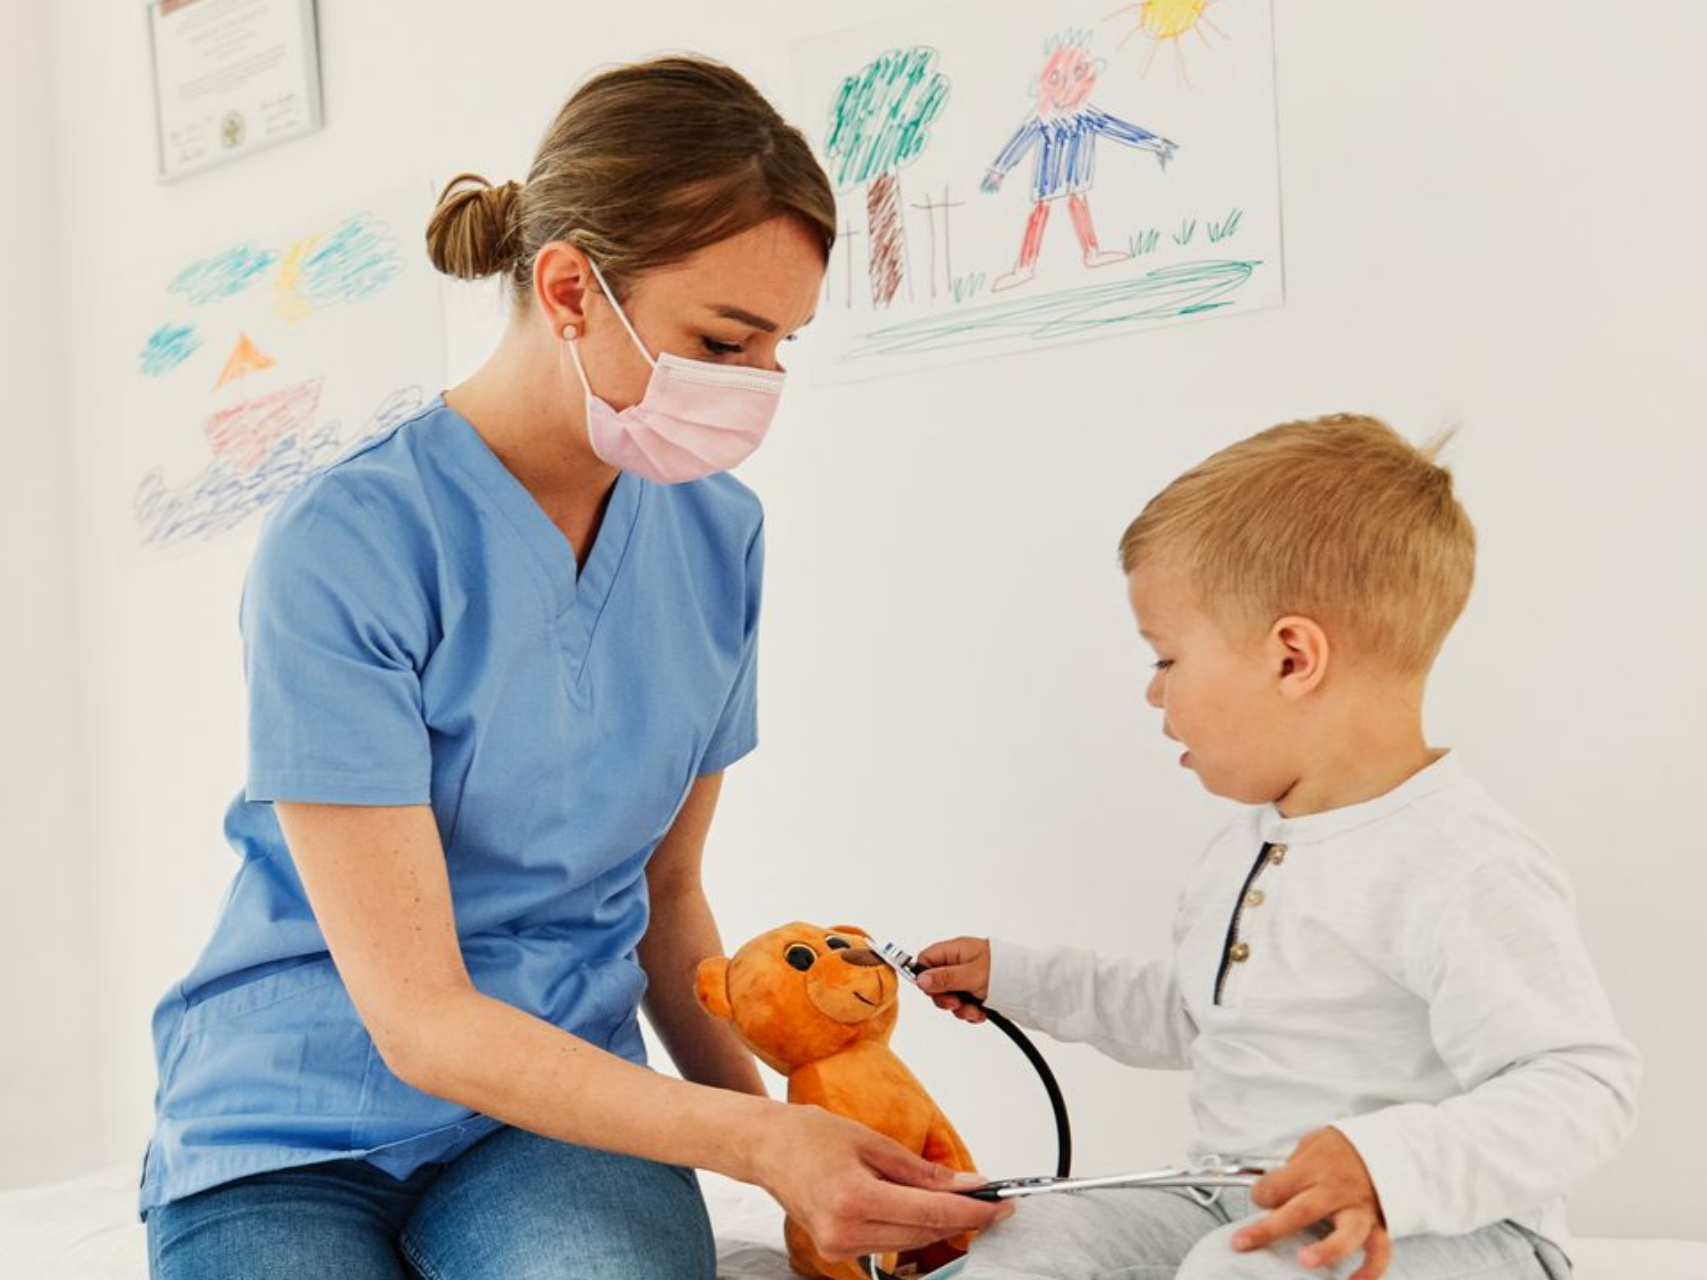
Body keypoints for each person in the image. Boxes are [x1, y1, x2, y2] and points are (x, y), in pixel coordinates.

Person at [140, 56, 1009, 1280]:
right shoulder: (350, 541)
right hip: (287, 1117)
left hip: (559, 1115)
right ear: (567, 289)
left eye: (780, 346)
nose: (759, 385)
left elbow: (667, 896)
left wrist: (821, 1143)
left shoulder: (720, 535)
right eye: (724, 338)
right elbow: (424, 1021)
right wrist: (759, 1138)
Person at [916, 414, 1639, 1280]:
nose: (1152, 693)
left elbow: (1581, 1086)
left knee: (1241, 1271)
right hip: (1235, 1198)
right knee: (1040, 1234)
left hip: (1455, 1232)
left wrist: (1385, 1166)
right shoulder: (1247, 846)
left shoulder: (1460, 861)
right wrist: (1022, 979)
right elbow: (1195, 1013)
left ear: (1292, 657)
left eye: (1165, 659)